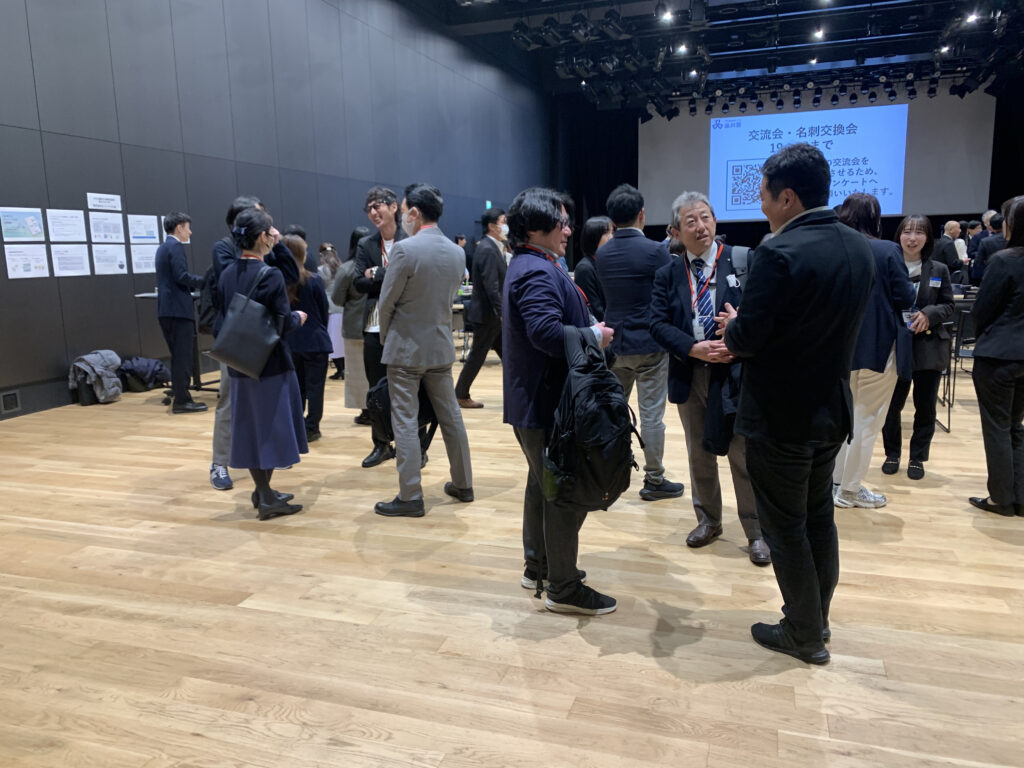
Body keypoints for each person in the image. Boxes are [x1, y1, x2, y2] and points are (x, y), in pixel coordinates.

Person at [718, 143, 874, 664]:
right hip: (831, 409)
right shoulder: (859, 247)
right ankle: (817, 621)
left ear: (787, 197)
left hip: (780, 416)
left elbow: (748, 339)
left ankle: (803, 633)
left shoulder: (778, 252)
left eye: (763, 193)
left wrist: (733, 326)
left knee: (785, 529)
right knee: (818, 520)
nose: (760, 203)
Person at [503, 186, 617, 615]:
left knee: (543, 484)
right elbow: (545, 333)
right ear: (536, 227)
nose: (568, 230)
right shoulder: (535, 270)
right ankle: (564, 587)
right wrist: (594, 335)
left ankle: (540, 566)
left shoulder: (534, 263)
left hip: (538, 401)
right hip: (547, 402)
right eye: (561, 222)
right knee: (564, 492)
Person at [648, 191, 770, 565]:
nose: (700, 226)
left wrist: (739, 332)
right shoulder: (668, 274)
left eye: (705, 217)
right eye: (691, 221)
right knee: (698, 454)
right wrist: (692, 347)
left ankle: (756, 532)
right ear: (675, 232)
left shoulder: (744, 260)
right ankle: (709, 521)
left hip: (734, 374)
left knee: (742, 455)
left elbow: (766, 313)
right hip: (690, 374)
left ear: (715, 221)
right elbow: (656, 324)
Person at [374, 183, 474, 517]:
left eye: (404, 211)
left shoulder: (405, 250)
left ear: (415, 213)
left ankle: (410, 495)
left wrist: (386, 339)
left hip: (406, 350)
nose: (403, 216)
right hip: (440, 347)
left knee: (404, 420)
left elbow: (387, 303)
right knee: (451, 417)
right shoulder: (457, 253)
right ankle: (463, 483)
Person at [215, 207, 308, 520]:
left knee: (251, 430)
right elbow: (281, 323)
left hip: (240, 362)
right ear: (262, 238)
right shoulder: (271, 275)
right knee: (270, 430)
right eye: (271, 232)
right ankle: (266, 497)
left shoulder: (227, 273)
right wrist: (297, 317)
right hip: (270, 365)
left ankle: (263, 491)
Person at [595, 183, 685, 502]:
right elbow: (669, 295)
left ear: (612, 219)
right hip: (650, 344)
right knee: (651, 417)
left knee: (613, 413)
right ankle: (654, 479)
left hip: (614, 346)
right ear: (642, 215)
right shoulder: (656, 251)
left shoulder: (602, 254)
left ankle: (609, 474)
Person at [832, 194, 916, 508]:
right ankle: (849, 491)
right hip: (879, 347)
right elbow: (905, 297)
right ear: (875, 219)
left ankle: (836, 482)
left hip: (840, 348)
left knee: (845, 419)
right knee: (867, 421)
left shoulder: (834, 249)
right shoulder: (887, 250)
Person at [881, 215, 954, 481]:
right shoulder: (888, 265)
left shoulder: (938, 269)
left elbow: (948, 304)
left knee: (925, 407)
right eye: (907, 232)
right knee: (891, 407)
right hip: (896, 346)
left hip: (928, 347)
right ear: (899, 235)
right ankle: (892, 453)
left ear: (928, 238)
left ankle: (917, 457)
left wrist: (929, 314)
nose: (912, 238)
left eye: (919, 233)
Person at [969, 195, 1024, 517]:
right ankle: (1019, 497)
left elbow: (982, 310)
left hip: (998, 355)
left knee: (998, 428)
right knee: (1015, 426)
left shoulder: (1004, 260)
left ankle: (1001, 499)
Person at [353, 187, 408, 468]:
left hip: (405, 324)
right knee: (376, 389)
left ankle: (414, 445)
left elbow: (411, 277)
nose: (374, 212)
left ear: (394, 207)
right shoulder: (366, 244)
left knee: (408, 388)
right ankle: (381, 444)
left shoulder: (409, 240)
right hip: (374, 325)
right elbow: (358, 282)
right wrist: (387, 276)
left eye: (378, 206)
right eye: (369, 209)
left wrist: (378, 272)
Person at [154, 211, 206, 414]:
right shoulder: (175, 247)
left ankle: (180, 395)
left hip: (166, 310)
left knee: (178, 356)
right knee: (183, 357)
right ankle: (182, 401)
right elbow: (181, 276)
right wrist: (205, 282)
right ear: (179, 228)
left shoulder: (162, 247)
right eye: (188, 228)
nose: (190, 232)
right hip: (178, 311)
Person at [282, 235, 332, 443]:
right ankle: (312, 427)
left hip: (292, 341)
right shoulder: (314, 280)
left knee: (298, 387)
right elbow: (323, 310)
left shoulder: (280, 283)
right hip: (315, 341)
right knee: (315, 388)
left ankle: (296, 425)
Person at [455, 208, 507, 408]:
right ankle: (460, 394)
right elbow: (491, 285)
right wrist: (501, 312)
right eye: (503, 221)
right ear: (492, 226)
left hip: (491, 315)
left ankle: (522, 391)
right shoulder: (487, 249)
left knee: (508, 356)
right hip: (488, 315)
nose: (506, 225)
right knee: (477, 356)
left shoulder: (493, 247)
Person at [331, 227, 373, 423]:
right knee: (378, 370)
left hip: (354, 327)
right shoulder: (379, 266)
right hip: (378, 324)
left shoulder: (347, 268)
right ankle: (380, 408)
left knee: (357, 372)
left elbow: (337, 299)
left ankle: (366, 411)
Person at [573, 216, 611, 322]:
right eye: (606, 232)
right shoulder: (585, 268)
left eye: (612, 232)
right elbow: (595, 310)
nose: (611, 237)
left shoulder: (606, 264)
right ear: (594, 237)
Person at [317, 243, 345, 380]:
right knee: (341, 341)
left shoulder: (321, 270)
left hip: (330, 308)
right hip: (343, 307)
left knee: (332, 342)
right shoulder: (342, 267)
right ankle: (343, 369)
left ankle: (340, 369)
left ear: (320, 255)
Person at [973, 213, 1007, 285]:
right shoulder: (1013, 239)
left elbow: (978, 262)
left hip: (991, 276)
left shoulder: (985, 241)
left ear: (991, 227)